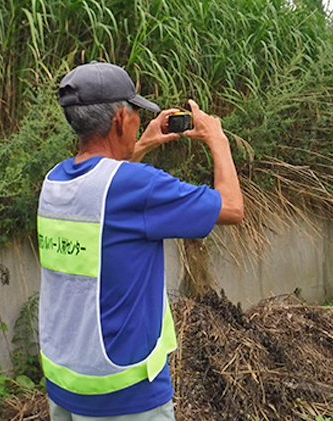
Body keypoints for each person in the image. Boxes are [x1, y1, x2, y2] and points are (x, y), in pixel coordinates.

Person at [36, 61, 244, 421]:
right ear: (119, 119)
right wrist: (218, 139)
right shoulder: (137, 186)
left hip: (65, 382)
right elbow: (231, 207)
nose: (135, 119)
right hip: (125, 394)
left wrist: (144, 141)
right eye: (134, 112)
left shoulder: (55, 182)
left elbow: (103, 180)